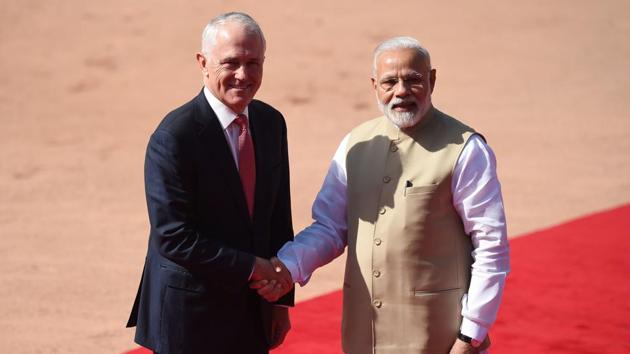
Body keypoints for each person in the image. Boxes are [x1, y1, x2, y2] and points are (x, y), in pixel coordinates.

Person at [252, 36, 510, 353]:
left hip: (439, 337)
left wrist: (472, 333)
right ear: (375, 85)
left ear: (431, 80)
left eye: (413, 79)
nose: (401, 91)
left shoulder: (466, 150)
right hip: (364, 336)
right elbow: (330, 227)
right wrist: (285, 267)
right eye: (390, 82)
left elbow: (491, 246)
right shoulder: (355, 145)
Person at [126, 12, 295, 354]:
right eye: (230, 62)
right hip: (189, 316)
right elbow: (173, 235)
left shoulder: (270, 123)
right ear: (203, 63)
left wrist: (280, 301)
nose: (243, 75)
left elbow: (278, 214)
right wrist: (251, 267)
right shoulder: (175, 136)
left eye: (253, 62)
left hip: (252, 310)